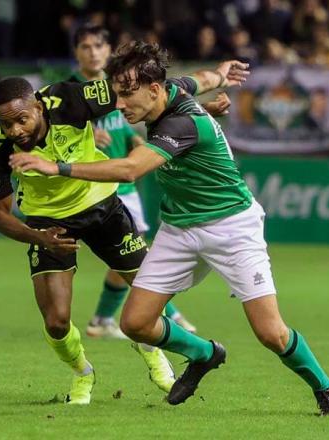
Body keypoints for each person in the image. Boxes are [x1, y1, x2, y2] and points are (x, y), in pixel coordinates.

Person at [9, 41, 329, 416]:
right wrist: (221, 73)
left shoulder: (183, 121)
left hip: (232, 227)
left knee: (271, 333)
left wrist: (58, 167)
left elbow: (130, 170)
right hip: (179, 228)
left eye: (125, 95)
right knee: (135, 323)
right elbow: (199, 79)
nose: (118, 105)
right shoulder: (170, 92)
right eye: (117, 93)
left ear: (153, 90)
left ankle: (326, 387)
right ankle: (205, 354)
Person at [0, 62, 231, 405]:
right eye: (6, 123)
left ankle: (148, 345)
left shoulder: (71, 99)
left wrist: (204, 99)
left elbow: (146, 94)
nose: (14, 130)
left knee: (152, 292)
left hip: (102, 207)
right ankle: (83, 372)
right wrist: (39, 238)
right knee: (56, 321)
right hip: (48, 223)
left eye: (21, 119)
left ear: (38, 106)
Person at [69, 23, 196, 339]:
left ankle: (103, 319)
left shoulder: (116, 88)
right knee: (134, 249)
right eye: (85, 47)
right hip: (99, 186)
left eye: (98, 46)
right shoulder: (69, 92)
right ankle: (168, 313)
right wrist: (81, 134)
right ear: (76, 52)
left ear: (108, 50)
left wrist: (139, 144)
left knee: (130, 251)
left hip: (125, 186)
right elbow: (50, 133)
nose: (93, 52)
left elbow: (122, 130)